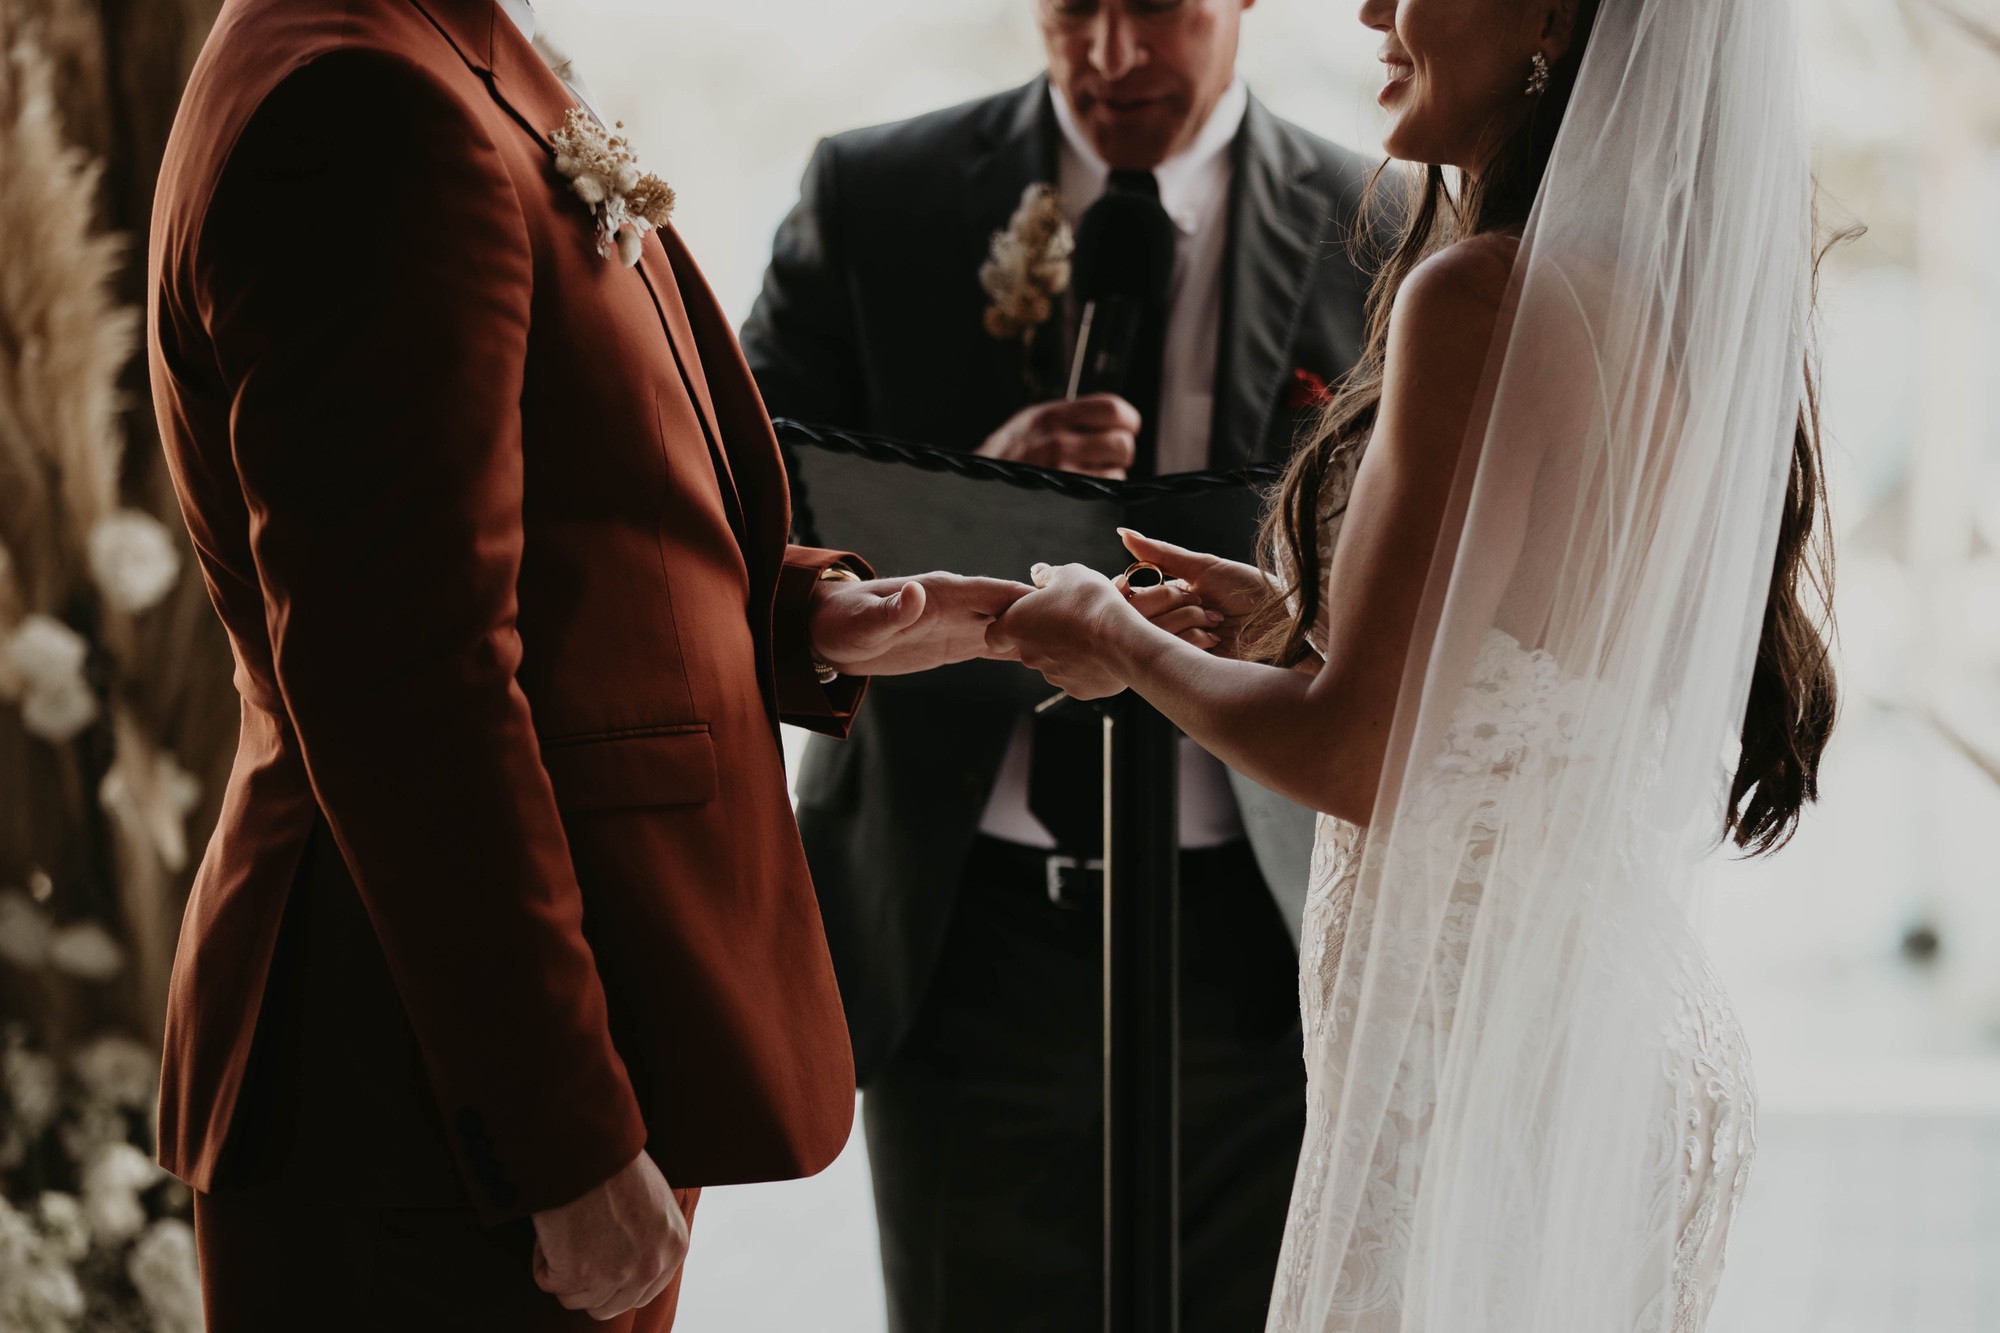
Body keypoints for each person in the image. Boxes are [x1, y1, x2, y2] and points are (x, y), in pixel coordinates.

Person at [145, 0, 1034, 1328]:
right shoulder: (362, 104)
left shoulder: (427, 47)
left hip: (509, 1042)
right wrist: (559, 1135)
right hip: (421, 1099)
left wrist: (800, 616)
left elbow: (549, 519)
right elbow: (404, 678)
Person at [990, 0, 1835, 1321]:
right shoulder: (1652, 292)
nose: (1373, 7)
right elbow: (1535, 649)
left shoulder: (1479, 297)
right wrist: (1290, 623)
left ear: (1551, 13)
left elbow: (1358, 756)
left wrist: (1116, 636)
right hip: (1600, 1046)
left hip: (1475, 1068)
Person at [739, 1, 1373, 1328]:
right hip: (961, 934)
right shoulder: (877, 194)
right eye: (1075, 6)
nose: (1111, 54)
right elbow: (730, 513)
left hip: (1266, 951)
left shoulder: (1382, 221)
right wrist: (971, 489)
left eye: (1158, 7)